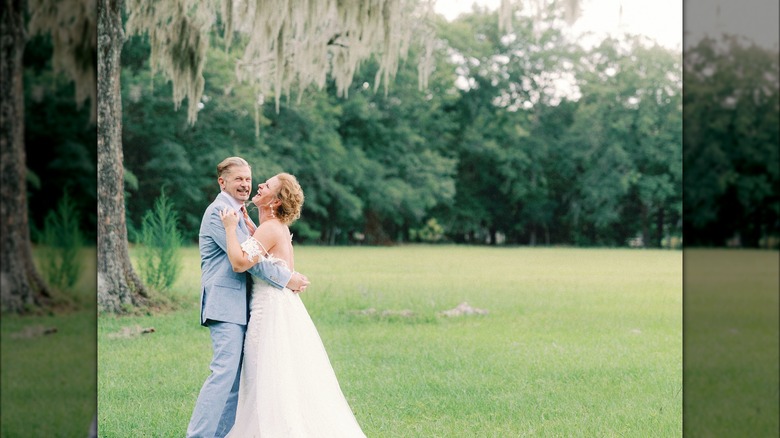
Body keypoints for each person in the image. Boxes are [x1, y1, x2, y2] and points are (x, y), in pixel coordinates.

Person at [219, 172, 366, 437]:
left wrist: (230, 228)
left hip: (269, 312)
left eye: (268, 185)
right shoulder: (277, 228)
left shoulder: (271, 228)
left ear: (275, 201)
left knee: (265, 377)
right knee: (280, 375)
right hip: (282, 306)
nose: (260, 184)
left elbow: (240, 262)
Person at [187, 158, 310, 438]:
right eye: (238, 179)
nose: (245, 184)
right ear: (223, 182)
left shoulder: (241, 213)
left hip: (246, 307)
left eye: (248, 179)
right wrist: (286, 277)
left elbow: (259, 251)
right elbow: (247, 261)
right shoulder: (220, 211)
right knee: (223, 376)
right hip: (225, 305)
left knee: (235, 383)